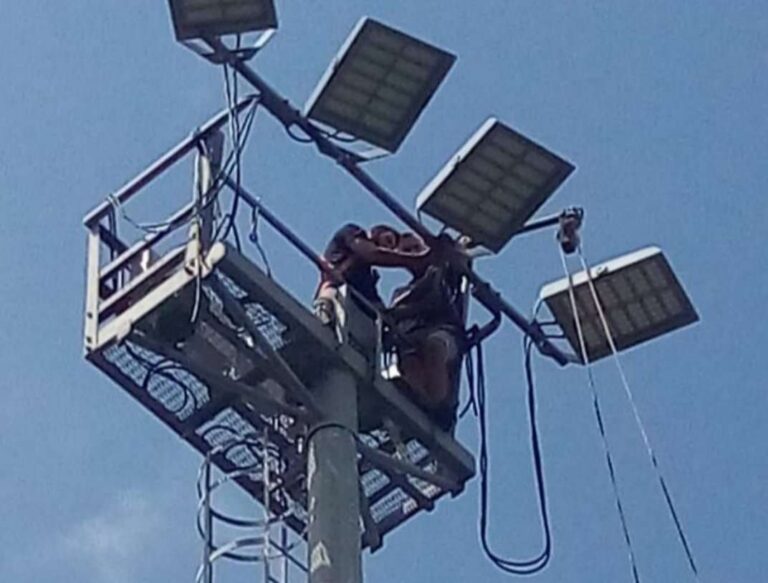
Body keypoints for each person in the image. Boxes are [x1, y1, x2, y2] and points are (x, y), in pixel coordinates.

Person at [386, 233, 470, 433]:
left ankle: (441, 407)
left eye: (416, 248)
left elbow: (455, 256)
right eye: (406, 252)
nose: (413, 254)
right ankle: (423, 403)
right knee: (409, 361)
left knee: (434, 347)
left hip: (442, 332)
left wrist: (451, 246)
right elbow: (392, 317)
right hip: (410, 338)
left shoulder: (441, 272)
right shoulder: (400, 292)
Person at [313, 223, 428, 325]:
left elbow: (376, 303)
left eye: (390, 249)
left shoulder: (367, 274)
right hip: (334, 287)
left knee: (384, 317)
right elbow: (370, 253)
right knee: (331, 288)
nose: (386, 248)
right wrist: (416, 260)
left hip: (356, 300)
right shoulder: (352, 232)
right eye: (388, 240)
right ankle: (323, 310)